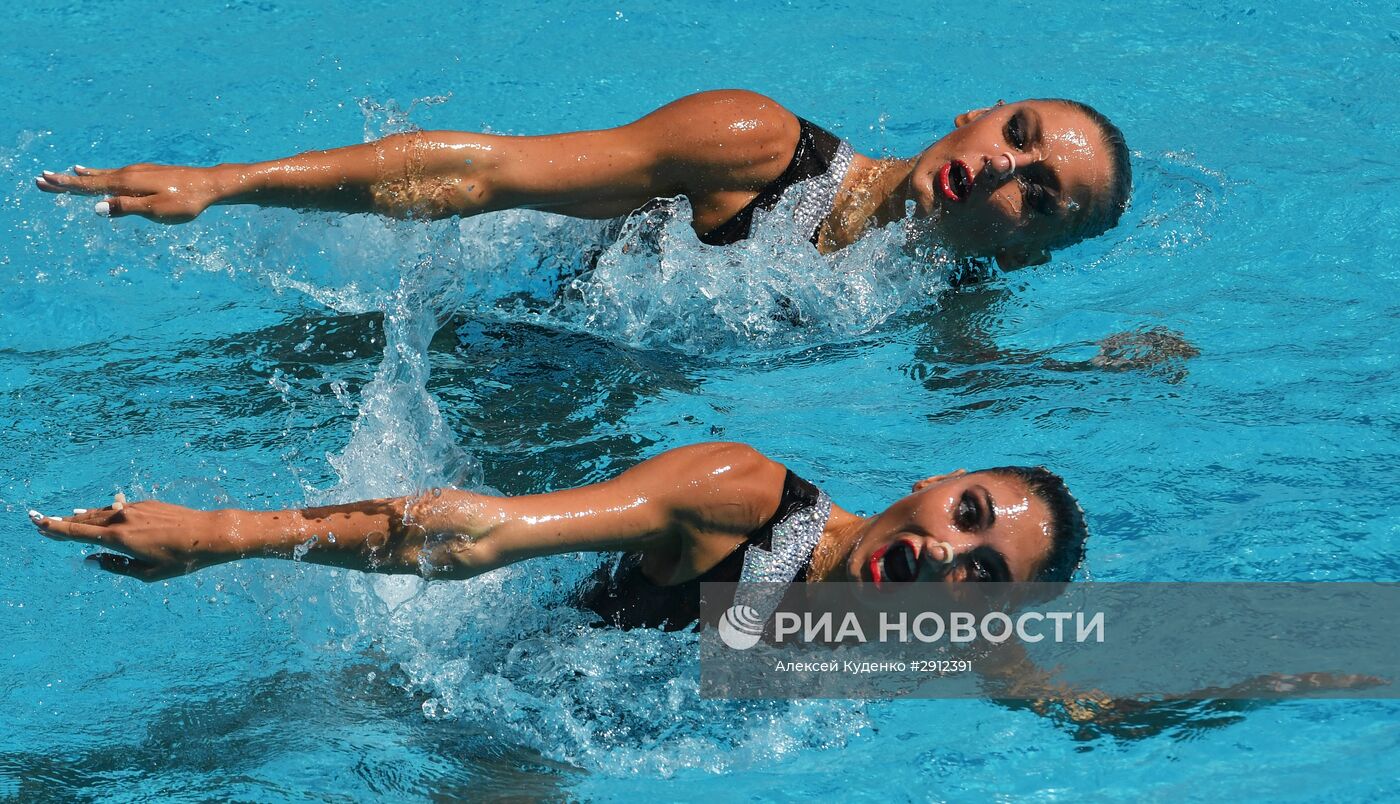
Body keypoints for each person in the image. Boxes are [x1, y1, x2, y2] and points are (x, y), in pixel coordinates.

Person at [28, 441, 1086, 631]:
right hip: (510, 693)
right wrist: (225, 531)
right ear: (932, 483)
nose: (951, 553)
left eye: (981, 572)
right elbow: (479, 535)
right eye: (966, 516)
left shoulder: (916, 637)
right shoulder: (740, 499)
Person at [35, 90, 1130, 270]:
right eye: (1017, 132)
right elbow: (489, 171)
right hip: (516, 355)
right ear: (972, 113)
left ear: (1031, 245)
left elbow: (961, 384)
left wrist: (1091, 376)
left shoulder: (947, 284)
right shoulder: (758, 147)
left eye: (1037, 191)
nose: (1001, 165)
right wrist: (226, 183)